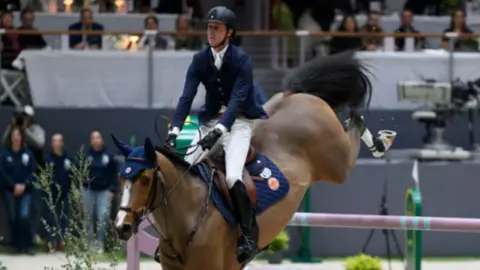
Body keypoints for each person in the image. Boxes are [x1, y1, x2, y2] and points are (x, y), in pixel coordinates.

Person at [164, 6, 268, 264]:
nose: (211, 32)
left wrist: (220, 131)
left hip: (240, 123)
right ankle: (172, 236)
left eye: (216, 28)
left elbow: (237, 99)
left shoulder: (242, 60)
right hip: (209, 120)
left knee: (233, 175)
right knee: (184, 169)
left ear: (229, 33)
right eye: (209, 27)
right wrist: (175, 130)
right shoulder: (200, 59)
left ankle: (247, 235)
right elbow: (186, 96)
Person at [0, 127, 36, 254]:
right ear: (11, 138)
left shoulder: (28, 153)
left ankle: (28, 245)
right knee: (13, 217)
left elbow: (32, 172)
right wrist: (13, 185)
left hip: (26, 191)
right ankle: (16, 245)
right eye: (14, 135)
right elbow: (2, 173)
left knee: (24, 216)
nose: (16, 138)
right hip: (10, 190)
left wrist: (24, 185)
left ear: (22, 138)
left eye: (18, 135)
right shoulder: (5, 154)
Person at [83, 130, 118, 254]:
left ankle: (100, 243)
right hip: (88, 191)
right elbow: (80, 171)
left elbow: (114, 174)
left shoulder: (108, 155)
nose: (95, 140)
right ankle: (89, 244)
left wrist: (112, 189)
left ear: (102, 140)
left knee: (102, 217)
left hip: (104, 191)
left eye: (98, 137)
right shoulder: (86, 155)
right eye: (93, 138)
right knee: (88, 218)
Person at [44, 133, 71, 251]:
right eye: (54, 141)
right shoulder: (47, 159)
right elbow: (43, 176)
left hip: (65, 194)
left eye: (59, 141)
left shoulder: (68, 159)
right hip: (51, 194)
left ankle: (62, 242)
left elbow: (71, 176)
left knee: (63, 218)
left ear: (62, 143)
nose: (57, 143)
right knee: (50, 218)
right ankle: (50, 242)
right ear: (51, 143)